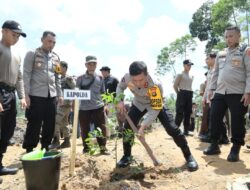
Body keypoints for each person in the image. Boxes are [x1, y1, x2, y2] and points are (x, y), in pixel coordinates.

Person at [116, 61, 198, 171]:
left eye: (140, 80)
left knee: (172, 129)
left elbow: (155, 109)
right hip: (138, 103)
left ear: (146, 74)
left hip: (155, 105)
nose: (138, 83)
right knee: (127, 128)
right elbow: (120, 87)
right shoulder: (127, 77)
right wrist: (119, 100)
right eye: (135, 80)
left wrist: (143, 126)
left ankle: (188, 156)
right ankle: (126, 156)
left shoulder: (155, 84)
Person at [203, 26, 250, 162]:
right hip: (220, 91)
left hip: (238, 92)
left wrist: (248, 92)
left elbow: (249, 73)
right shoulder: (221, 53)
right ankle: (214, 144)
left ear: (238, 36)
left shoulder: (245, 51)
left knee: (237, 120)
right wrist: (211, 90)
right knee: (214, 116)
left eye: (231, 36)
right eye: (226, 37)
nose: (228, 39)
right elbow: (215, 73)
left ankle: (235, 148)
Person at [22, 31, 63, 153]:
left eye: (54, 42)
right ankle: (29, 148)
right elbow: (26, 75)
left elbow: (57, 77)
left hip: (51, 96)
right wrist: (26, 95)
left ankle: (45, 146)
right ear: (42, 40)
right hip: (36, 95)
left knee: (50, 123)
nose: (51, 44)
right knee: (34, 122)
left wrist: (59, 94)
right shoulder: (32, 54)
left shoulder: (56, 58)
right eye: (49, 41)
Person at [0, 20, 27, 176]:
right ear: (3, 31)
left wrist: (22, 96)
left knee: (8, 130)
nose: (16, 38)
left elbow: (20, 78)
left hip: (10, 94)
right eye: (13, 34)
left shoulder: (17, 55)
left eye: (18, 36)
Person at [76, 55, 109, 154]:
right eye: (90, 63)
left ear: (96, 65)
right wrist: (75, 107)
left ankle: (103, 148)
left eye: (94, 63)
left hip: (98, 107)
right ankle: (86, 148)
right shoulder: (80, 78)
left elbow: (103, 93)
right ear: (86, 65)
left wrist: (106, 105)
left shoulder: (100, 77)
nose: (92, 65)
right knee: (84, 129)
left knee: (101, 128)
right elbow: (76, 93)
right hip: (84, 108)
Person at [49, 61, 76, 149]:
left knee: (55, 122)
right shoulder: (60, 78)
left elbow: (74, 88)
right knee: (64, 123)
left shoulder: (68, 78)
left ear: (64, 68)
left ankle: (56, 140)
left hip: (64, 104)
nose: (58, 68)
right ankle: (67, 141)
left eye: (59, 67)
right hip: (63, 104)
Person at [173, 59, 194, 135]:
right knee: (179, 113)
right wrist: (178, 94)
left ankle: (186, 130)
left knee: (188, 112)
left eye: (190, 65)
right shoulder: (180, 74)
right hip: (181, 93)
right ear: (184, 65)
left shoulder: (192, 76)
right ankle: (175, 130)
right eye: (188, 65)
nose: (189, 66)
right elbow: (175, 85)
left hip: (189, 94)